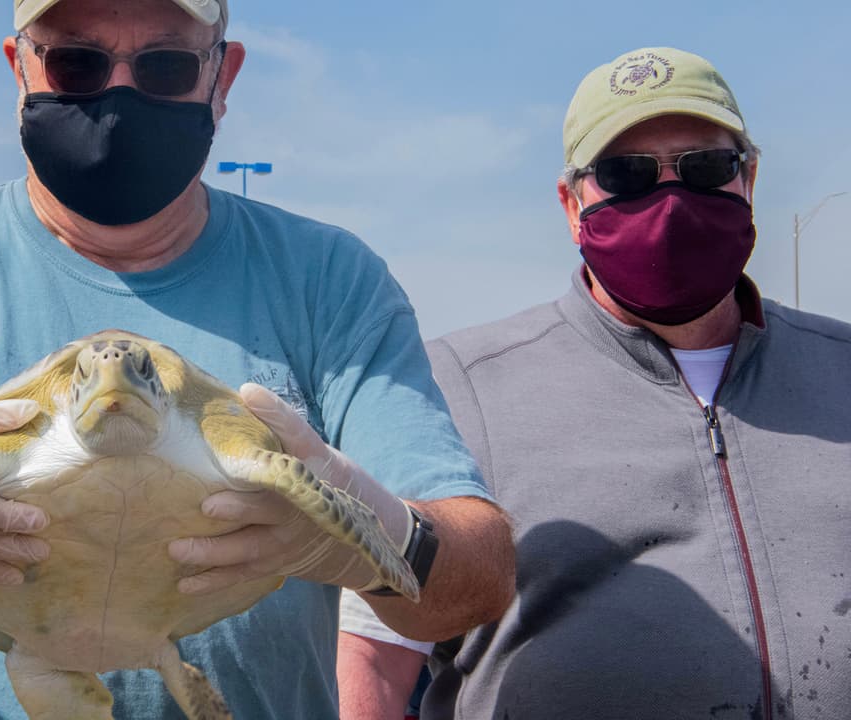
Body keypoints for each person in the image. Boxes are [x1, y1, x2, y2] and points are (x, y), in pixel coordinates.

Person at [0, 1, 516, 718]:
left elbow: (474, 585)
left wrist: (366, 536)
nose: (116, 95)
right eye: (76, 61)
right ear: (18, 67)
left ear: (222, 77)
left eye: (164, 64)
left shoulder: (329, 281)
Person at [336, 46, 851, 720]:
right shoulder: (458, 389)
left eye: (704, 167)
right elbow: (370, 661)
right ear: (571, 201)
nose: (670, 200)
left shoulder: (838, 367)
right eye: (626, 174)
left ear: (748, 178)